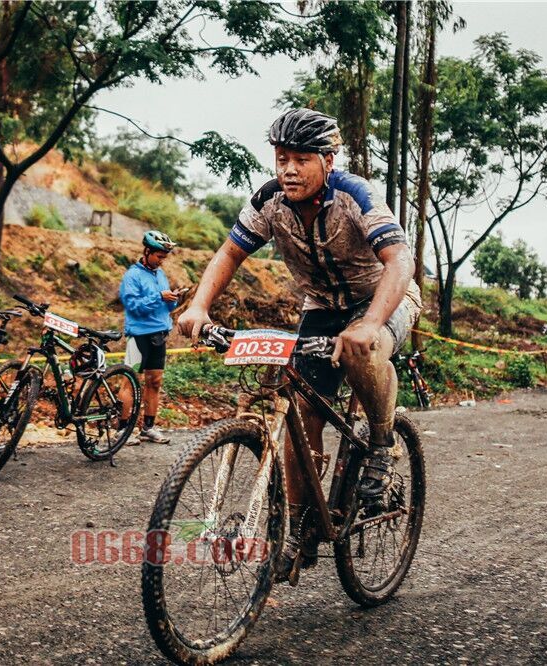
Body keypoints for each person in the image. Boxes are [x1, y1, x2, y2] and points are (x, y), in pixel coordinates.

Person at [177, 108, 422, 581]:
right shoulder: (269, 200)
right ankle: (300, 529)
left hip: (383, 297)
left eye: (302, 160)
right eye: (282, 158)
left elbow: (399, 262)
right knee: (301, 410)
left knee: (363, 349)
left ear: (328, 161)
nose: (289, 170)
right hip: (322, 305)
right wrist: (198, 307)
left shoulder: (356, 196)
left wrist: (370, 323)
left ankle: (381, 441)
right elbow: (230, 252)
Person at [118, 230, 185, 444]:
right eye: (159, 256)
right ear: (147, 251)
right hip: (139, 335)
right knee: (130, 381)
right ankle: (122, 429)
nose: (161, 260)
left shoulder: (160, 274)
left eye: (164, 257)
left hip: (159, 334)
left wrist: (173, 298)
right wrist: (158, 297)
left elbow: (166, 306)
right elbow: (133, 306)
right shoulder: (132, 276)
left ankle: (148, 428)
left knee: (154, 382)